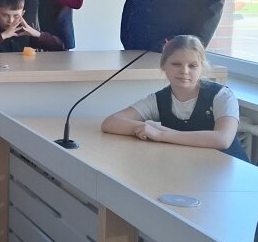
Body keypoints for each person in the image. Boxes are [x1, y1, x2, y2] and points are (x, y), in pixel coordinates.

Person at [101, 35, 246, 159]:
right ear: (163, 66)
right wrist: (144, 127)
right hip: (191, 169)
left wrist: (161, 134)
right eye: (176, 64)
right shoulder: (158, 100)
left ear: (202, 67)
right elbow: (110, 122)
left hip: (230, 173)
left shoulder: (222, 96)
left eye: (192, 66)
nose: (184, 71)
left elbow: (223, 139)